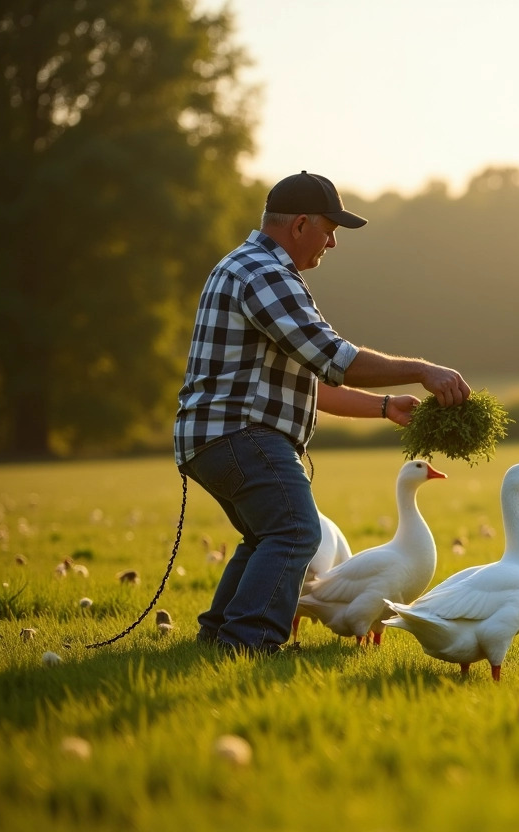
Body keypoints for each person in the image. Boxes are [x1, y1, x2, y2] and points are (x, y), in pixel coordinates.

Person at [174, 170, 471, 656]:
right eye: (329, 230)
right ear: (299, 225)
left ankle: (218, 638)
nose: (332, 243)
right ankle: (249, 644)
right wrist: (421, 370)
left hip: (215, 436)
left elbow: (311, 377)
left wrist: (382, 406)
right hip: (240, 434)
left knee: (265, 534)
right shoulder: (266, 274)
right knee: (295, 530)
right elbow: (335, 358)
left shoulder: (245, 266)